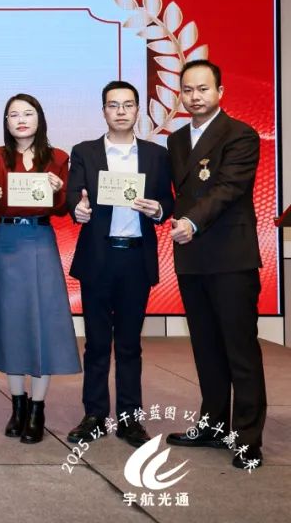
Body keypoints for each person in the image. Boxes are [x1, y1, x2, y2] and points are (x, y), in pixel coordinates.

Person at [164, 60, 267, 470]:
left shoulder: (240, 134)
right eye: (188, 90)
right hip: (191, 258)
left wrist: (190, 222)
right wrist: (159, 209)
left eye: (203, 89)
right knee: (206, 348)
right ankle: (212, 425)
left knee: (240, 349)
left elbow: (228, 188)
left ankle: (248, 438)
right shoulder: (176, 140)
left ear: (220, 92)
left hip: (230, 258)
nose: (195, 97)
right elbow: (178, 194)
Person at [65, 81, 173, 448]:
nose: (121, 111)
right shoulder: (85, 151)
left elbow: (168, 201)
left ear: (138, 110)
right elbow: (73, 194)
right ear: (104, 111)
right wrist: (78, 209)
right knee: (97, 343)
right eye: (114, 105)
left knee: (129, 344)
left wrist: (158, 210)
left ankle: (130, 419)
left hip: (135, 258)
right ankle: (95, 416)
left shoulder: (156, 155)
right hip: (98, 257)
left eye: (128, 105)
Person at [0, 93, 80, 444]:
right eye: (13, 114)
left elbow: (62, 208)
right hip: (6, 241)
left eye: (28, 113)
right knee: (11, 322)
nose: (21, 120)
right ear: (5, 122)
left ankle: (37, 408)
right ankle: (17, 405)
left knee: (43, 322)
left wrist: (60, 191)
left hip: (41, 240)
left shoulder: (58, 157)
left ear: (40, 119)